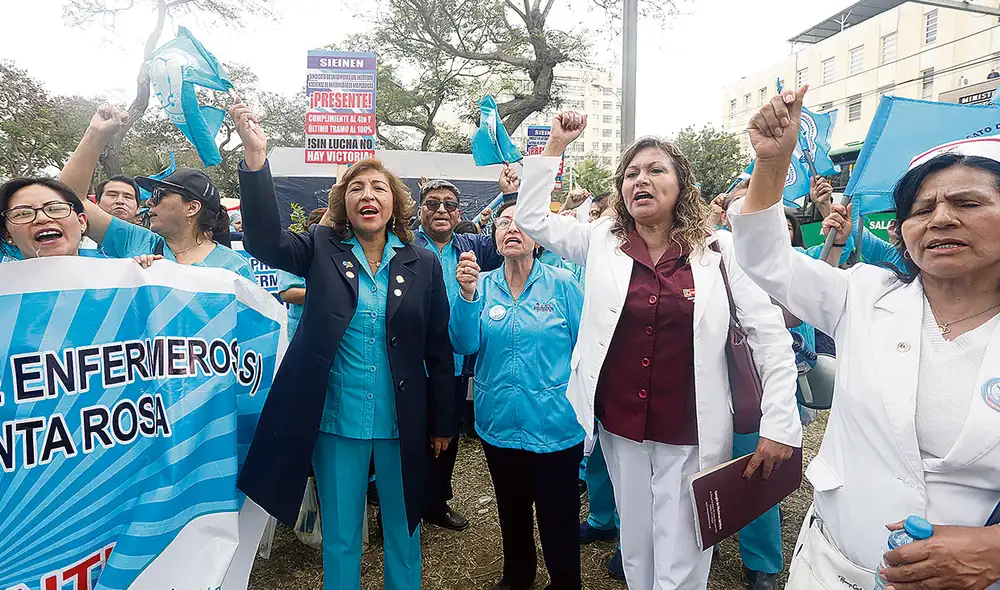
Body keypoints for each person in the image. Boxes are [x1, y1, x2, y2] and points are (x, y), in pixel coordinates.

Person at [515, 111, 801, 590]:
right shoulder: (602, 241)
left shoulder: (718, 249)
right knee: (637, 542)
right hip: (620, 422)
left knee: (686, 546)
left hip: (691, 426)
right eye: (631, 174)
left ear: (681, 183)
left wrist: (778, 423)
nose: (640, 180)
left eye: (655, 170)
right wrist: (555, 147)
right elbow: (532, 218)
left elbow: (769, 336)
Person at [732, 87, 1000, 590]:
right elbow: (765, 258)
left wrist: (994, 552)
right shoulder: (864, 294)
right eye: (922, 209)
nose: (941, 218)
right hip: (830, 568)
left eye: (968, 202)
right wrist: (772, 163)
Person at [230, 102, 456, 590]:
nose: (368, 195)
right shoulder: (319, 247)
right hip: (335, 420)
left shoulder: (423, 263)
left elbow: (438, 349)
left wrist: (443, 420)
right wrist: (255, 159)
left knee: (405, 528)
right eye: (356, 187)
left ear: (395, 202)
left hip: (403, 422)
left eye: (378, 187)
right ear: (343, 203)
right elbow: (265, 241)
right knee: (341, 536)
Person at [450, 200, 585, 590]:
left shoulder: (562, 284)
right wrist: (467, 295)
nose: (511, 228)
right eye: (503, 223)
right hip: (499, 421)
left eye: (522, 223)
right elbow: (463, 343)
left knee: (557, 512)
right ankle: (518, 574)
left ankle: (564, 581)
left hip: (555, 424)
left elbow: (586, 349)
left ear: (538, 237)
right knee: (511, 507)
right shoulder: (483, 285)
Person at [59, 104, 254, 282]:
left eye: (160, 194)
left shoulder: (235, 268)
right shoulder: (136, 240)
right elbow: (69, 199)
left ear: (192, 207)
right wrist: (95, 135)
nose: (150, 202)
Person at [414, 172, 509, 532]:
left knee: (447, 436)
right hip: (411, 363)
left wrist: (509, 194)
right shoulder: (405, 245)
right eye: (433, 203)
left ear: (457, 214)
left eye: (449, 205)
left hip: (454, 363)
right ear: (421, 210)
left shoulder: (473, 248)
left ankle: (437, 503)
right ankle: (405, 505)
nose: (441, 210)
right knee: (409, 437)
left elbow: (510, 232)